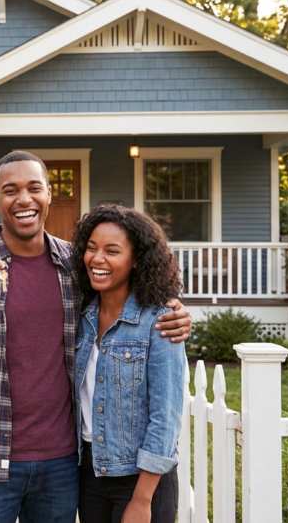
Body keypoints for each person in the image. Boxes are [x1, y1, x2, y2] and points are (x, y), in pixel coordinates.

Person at [0, 151, 191, 523]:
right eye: (10, 190)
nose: (24, 199)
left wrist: (174, 310)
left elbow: (125, 302)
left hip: (62, 463)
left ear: (48, 194)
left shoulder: (72, 264)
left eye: (34, 188)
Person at [71, 203, 186, 523]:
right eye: (91, 248)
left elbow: (166, 417)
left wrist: (141, 498)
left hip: (142, 480)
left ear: (136, 261)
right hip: (91, 475)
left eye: (112, 251)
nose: (98, 259)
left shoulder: (159, 322)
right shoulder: (82, 317)